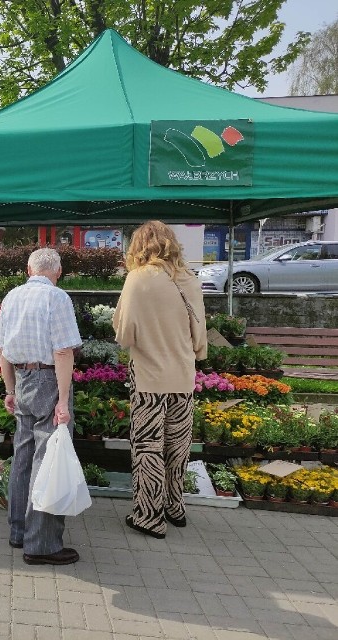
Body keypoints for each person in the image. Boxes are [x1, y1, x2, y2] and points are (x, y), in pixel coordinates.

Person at [113, 221, 207, 539]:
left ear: (139, 246)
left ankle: (149, 516)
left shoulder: (138, 279)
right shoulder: (189, 279)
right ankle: (174, 506)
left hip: (150, 377)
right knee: (177, 446)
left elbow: (125, 334)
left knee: (148, 445)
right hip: (183, 376)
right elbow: (200, 340)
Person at [0, 247, 83, 566]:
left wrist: (10, 389)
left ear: (29, 271)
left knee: (24, 456)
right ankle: (41, 545)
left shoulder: (12, 296)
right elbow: (62, 352)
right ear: (57, 272)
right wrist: (62, 399)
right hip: (47, 381)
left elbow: (1, 349)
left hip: (22, 378)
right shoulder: (57, 298)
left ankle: (19, 532)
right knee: (49, 461)